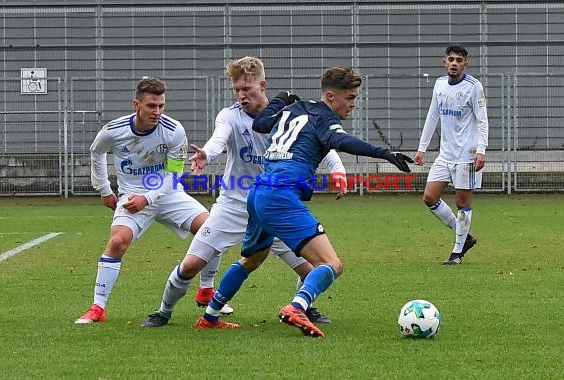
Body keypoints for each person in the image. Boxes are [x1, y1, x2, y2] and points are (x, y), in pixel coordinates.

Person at [194, 66, 412, 337]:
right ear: (331, 97)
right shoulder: (324, 119)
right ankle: (298, 306)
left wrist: (280, 99)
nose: (353, 104)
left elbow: (260, 124)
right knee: (331, 264)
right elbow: (341, 140)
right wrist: (385, 153)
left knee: (252, 259)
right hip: (281, 196)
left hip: (259, 191)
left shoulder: (293, 109)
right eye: (351, 98)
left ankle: (210, 316)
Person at [141, 56, 346, 329]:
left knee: (314, 268)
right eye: (236, 89)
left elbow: (321, 141)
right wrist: (207, 155)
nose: (241, 96)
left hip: (275, 206)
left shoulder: (288, 114)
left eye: (246, 89)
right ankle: (163, 312)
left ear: (263, 85)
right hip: (234, 205)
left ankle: (306, 307)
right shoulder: (230, 116)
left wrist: (338, 170)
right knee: (190, 265)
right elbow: (219, 137)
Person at [75, 77, 219, 324]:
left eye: (161, 105)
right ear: (137, 104)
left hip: (167, 194)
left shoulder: (174, 130)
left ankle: (206, 289)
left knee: (211, 228)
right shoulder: (114, 130)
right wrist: (104, 190)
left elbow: (174, 175)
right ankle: (97, 308)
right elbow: (96, 151)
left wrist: (148, 198)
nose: (158, 112)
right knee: (118, 242)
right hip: (132, 196)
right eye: (152, 106)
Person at [413, 44, 489, 265]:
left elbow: (483, 121)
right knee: (429, 197)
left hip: (467, 155)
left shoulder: (474, 87)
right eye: (451, 59)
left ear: (466, 64)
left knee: (461, 202)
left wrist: (482, 150)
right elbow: (432, 116)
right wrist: (422, 148)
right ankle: (463, 237)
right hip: (445, 155)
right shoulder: (438, 85)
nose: (454, 63)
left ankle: (457, 253)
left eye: (459, 60)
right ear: (444, 62)